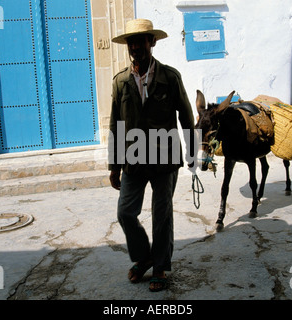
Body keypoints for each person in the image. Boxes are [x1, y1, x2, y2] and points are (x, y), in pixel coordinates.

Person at [108, 19, 196, 292]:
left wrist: (193, 154)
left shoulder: (170, 77)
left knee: (162, 214)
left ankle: (159, 267)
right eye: (131, 42)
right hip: (133, 159)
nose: (135, 47)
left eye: (141, 40)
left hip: (165, 157)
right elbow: (115, 124)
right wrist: (113, 165)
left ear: (152, 42)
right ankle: (144, 257)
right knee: (125, 213)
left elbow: (187, 116)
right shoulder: (121, 81)